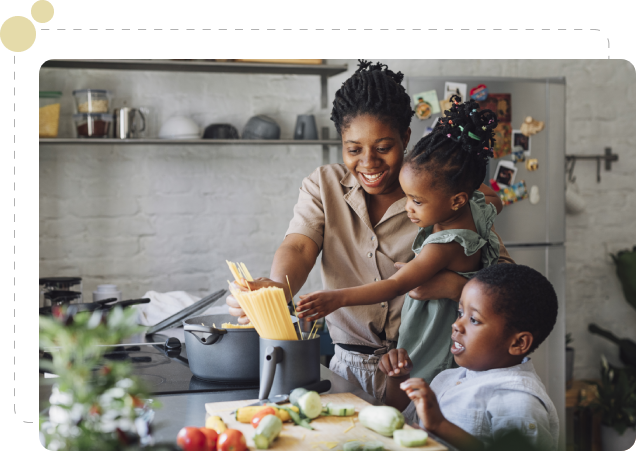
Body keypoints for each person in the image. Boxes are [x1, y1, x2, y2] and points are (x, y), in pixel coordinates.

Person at [226, 60, 515, 401]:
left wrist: (455, 287)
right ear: (342, 142)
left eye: (383, 148)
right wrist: (277, 289)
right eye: (354, 149)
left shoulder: (442, 196)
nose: (368, 163)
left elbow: (505, 279)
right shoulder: (324, 185)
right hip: (349, 367)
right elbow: (299, 247)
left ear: (405, 137)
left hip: (432, 366)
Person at [297, 94, 503, 385]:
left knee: (410, 415)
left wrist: (338, 297)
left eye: (416, 201)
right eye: (353, 148)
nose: (409, 208)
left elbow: (395, 286)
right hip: (358, 361)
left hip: (423, 353)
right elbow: (495, 198)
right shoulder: (475, 209)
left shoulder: (442, 244)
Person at [379, 264, 560, 451]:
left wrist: (440, 426)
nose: (456, 325)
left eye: (474, 319)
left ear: (518, 343)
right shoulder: (448, 378)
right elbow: (406, 422)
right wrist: (398, 378)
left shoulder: (519, 404)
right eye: (460, 313)